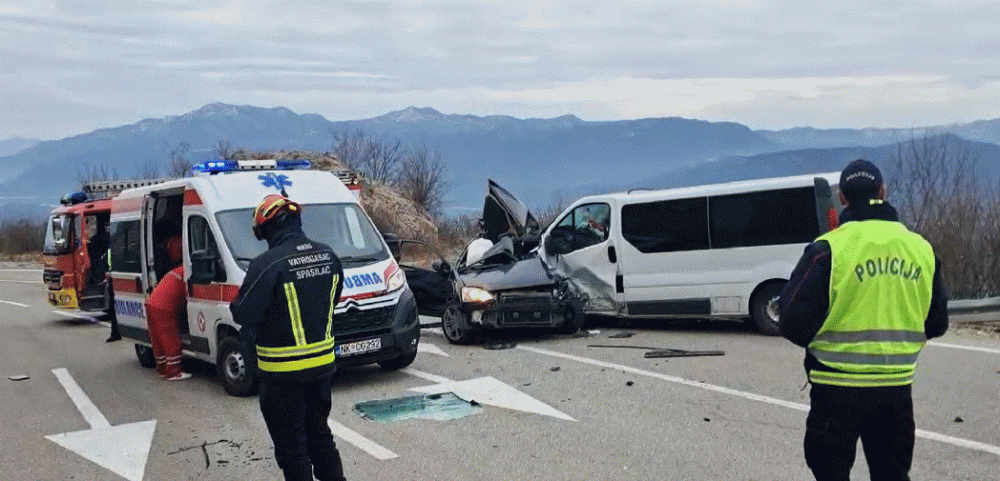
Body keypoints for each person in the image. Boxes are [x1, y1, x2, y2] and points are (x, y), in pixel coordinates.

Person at [779, 159, 948, 481]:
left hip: (835, 388)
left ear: (842, 198)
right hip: (896, 389)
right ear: (883, 192)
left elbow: (791, 322)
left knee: (830, 471)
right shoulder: (922, 249)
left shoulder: (827, 250)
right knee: (892, 473)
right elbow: (937, 323)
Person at [230, 194, 347, 481]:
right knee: (321, 438)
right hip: (322, 370)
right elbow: (331, 301)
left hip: (281, 376)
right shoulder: (329, 255)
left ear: (265, 229)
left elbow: (243, 313)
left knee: (293, 450)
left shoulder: (267, 264)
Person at [145, 235, 191, 381]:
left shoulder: (176, 271)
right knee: (170, 338)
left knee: (158, 339)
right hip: (163, 307)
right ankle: (173, 371)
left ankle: (162, 368)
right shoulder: (187, 272)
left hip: (152, 303)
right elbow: (188, 295)